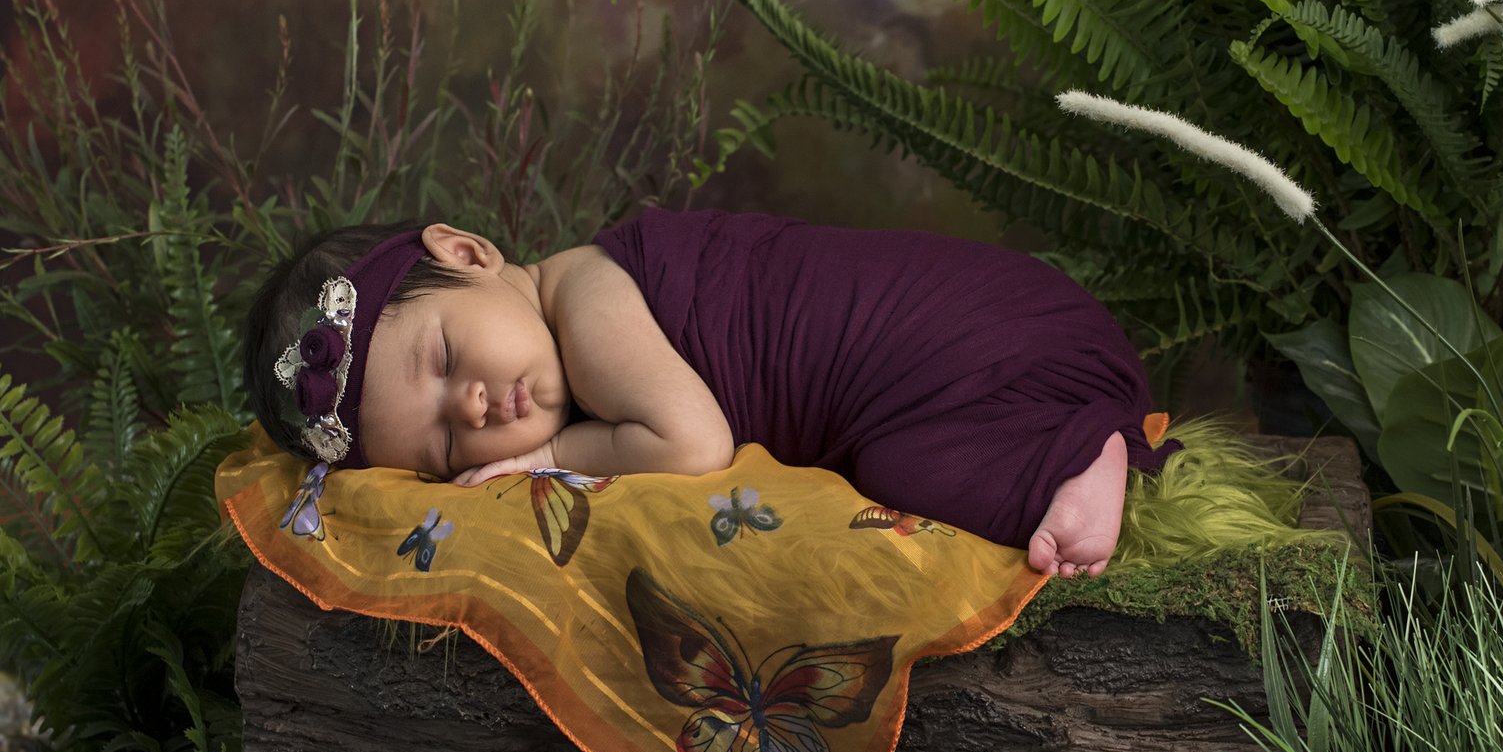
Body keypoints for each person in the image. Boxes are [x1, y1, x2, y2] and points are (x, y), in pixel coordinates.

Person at [241, 209, 1182, 577]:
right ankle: (1062, 434)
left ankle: (1089, 445)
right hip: (991, 327)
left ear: (471, 255)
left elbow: (692, 445)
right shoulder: (564, 321)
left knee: (910, 465)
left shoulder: (591, 296)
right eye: (448, 448)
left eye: (446, 361)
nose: (476, 409)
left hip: (978, 339)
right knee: (889, 457)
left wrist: (551, 459)